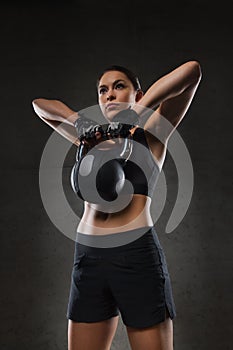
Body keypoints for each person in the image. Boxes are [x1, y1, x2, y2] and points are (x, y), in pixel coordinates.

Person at [32, 60, 202, 350]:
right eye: (102, 90)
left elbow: (192, 71)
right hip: (88, 260)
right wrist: (80, 122)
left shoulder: (151, 134)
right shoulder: (90, 140)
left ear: (137, 93)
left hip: (135, 256)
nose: (109, 94)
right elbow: (40, 105)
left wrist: (141, 110)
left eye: (119, 86)